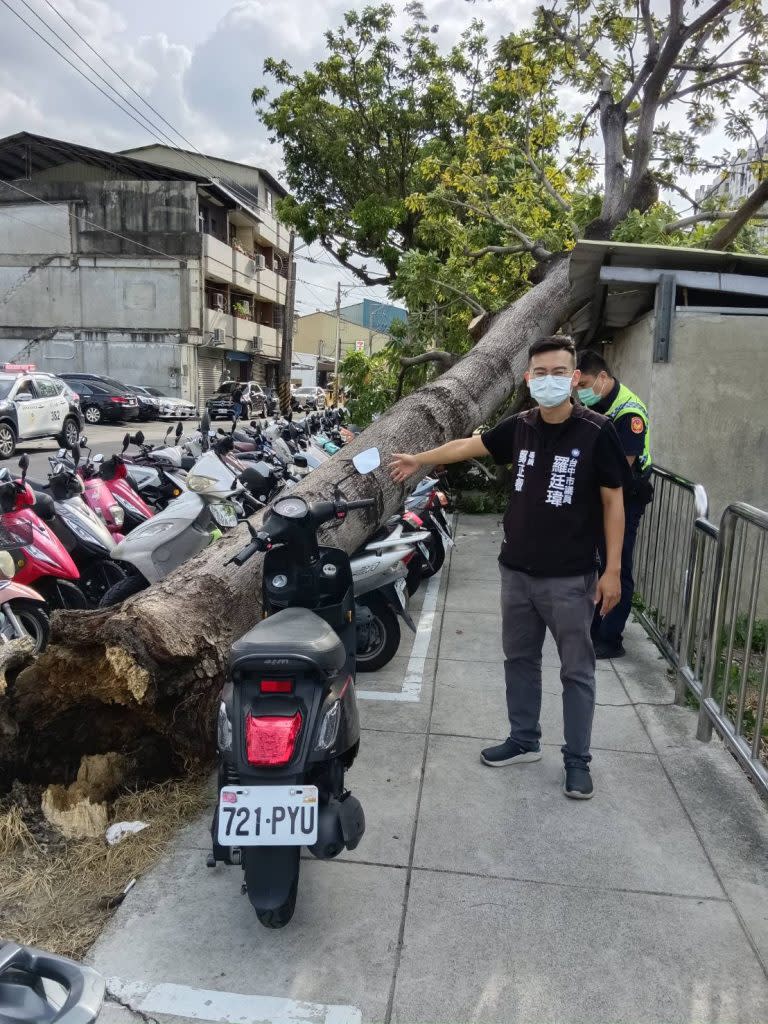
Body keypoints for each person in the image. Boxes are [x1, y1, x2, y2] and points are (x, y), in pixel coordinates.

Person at [390, 335, 629, 799]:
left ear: (575, 378)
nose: (550, 381)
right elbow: (467, 446)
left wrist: (613, 569)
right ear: (528, 379)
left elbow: (613, 501)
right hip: (516, 573)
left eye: (560, 372)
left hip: (570, 577)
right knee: (519, 660)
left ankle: (577, 760)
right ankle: (524, 740)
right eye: (540, 373)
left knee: (576, 671)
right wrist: (419, 459)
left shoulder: (597, 431)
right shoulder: (519, 427)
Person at [576, 350, 654, 660]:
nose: (579, 391)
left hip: (626, 497)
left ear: (603, 378)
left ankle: (610, 638)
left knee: (617, 563)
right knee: (599, 563)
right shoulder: (595, 403)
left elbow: (621, 469)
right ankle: (595, 626)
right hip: (604, 496)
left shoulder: (629, 413)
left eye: (584, 384)